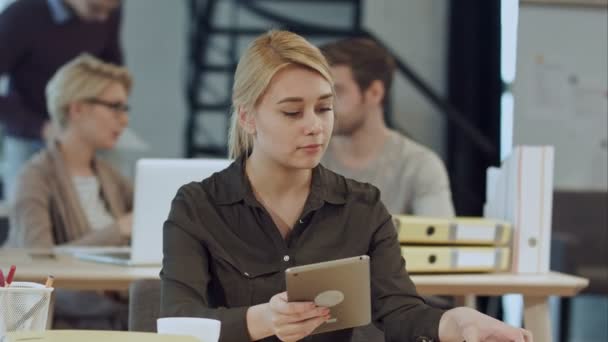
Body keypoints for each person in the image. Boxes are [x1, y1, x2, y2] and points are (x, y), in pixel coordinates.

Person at [159, 30, 532, 342]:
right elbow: (178, 320)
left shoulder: (363, 206)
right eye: (292, 112)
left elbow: (400, 311)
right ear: (247, 117)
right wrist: (265, 319)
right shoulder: (197, 206)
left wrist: (456, 321)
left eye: (324, 108)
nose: (314, 126)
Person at [8, 54, 133, 328]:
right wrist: (118, 230)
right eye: (115, 107)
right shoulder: (33, 177)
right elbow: (37, 262)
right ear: (76, 109)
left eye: (125, 108)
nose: (124, 120)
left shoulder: (110, 176)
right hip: (71, 305)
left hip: (113, 295)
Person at [0, 0, 122, 202]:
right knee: (28, 210)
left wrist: (111, 112)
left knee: (104, 205)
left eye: (111, 10)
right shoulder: (21, 16)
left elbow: (112, 68)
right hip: (32, 136)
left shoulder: (108, 11)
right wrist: (39, 127)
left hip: (86, 132)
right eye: (96, 9)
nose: (103, 19)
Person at [320, 38, 454, 217]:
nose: (326, 104)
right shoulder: (308, 159)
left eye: (338, 92)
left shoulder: (418, 165)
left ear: (375, 93)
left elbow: (438, 241)